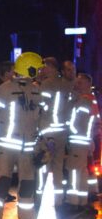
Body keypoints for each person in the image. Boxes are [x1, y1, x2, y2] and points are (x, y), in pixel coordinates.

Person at [0, 52, 45, 219]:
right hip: (17, 146)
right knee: (18, 183)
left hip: (14, 146)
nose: (40, 72)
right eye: (38, 68)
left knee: (11, 183)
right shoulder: (25, 90)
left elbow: (42, 119)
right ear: (30, 68)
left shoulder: (29, 91)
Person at [35, 57, 72, 204]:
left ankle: (39, 196)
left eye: (44, 67)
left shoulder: (47, 84)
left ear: (50, 67)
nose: (42, 70)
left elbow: (40, 106)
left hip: (48, 132)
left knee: (43, 165)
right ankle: (59, 200)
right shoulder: (65, 84)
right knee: (58, 168)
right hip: (61, 132)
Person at [64, 73, 99, 211]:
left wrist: (69, 130)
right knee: (82, 172)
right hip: (83, 140)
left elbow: (76, 123)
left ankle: (73, 202)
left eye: (79, 83)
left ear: (86, 84)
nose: (76, 85)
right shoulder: (89, 100)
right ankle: (82, 201)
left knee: (74, 172)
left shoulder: (83, 101)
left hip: (78, 141)